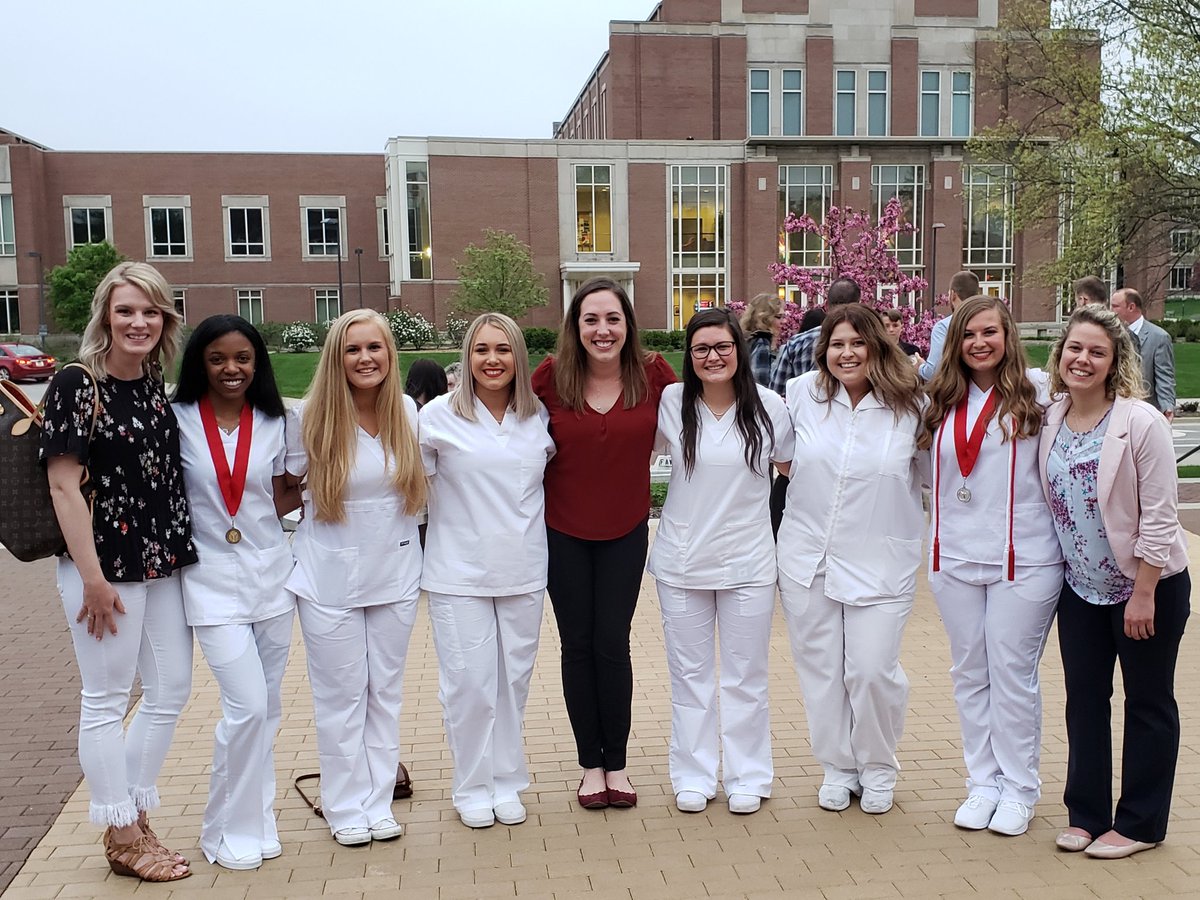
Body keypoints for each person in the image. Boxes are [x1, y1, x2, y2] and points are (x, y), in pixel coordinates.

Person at [41, 261, 195, 882]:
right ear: (105, 314)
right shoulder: (79, 383)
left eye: (151, 311)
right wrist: (93, 578)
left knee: (171, 690)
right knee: (105, 699)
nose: (138, 322)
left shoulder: (152, 382)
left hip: (160, 564)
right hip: (104, 571)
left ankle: (128, 810)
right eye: (126, 310)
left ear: (165, 321)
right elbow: (62, 483)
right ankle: (125, 834)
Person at [1040, 305, 1190, 859]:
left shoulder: (1139, 421)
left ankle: (1141, 823)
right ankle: (1087, 814)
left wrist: (1144, 591)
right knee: (1084, 699)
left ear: (1114, 361)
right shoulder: (1052, 416)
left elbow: (1160, 513)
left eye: (1097, 352)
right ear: (1060, 355)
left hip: (1147, 588)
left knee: (1147, 701)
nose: (1083, 359)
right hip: (1080, 588)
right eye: (1075, 348)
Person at [919, 295, 1062, 837]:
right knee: (969, 674)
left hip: (1022, 558)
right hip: (952, 556)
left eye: (990, 333)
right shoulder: (937, 400)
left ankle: (1020, 788)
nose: (980, 343)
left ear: (1008, 337)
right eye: (969, 334)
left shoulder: (1041, 394)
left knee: (1011, 675)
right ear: (955, 341)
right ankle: (982, 782)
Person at [531, 277, 676, 809]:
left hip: (626, 530)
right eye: (591, 319)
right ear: (576, 327)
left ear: (627, 325)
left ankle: (616, 762)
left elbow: (704, 423)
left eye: (612, 318)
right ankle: (589, 765)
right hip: (562, 531)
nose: (602, 329)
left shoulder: (654, 375)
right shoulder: (549, 378)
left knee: (613, 643)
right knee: (578, 645)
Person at [284, 309, 427, 846]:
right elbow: (279, 489)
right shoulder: (309, 417)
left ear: (390, 354)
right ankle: (344, 805)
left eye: (375, 348)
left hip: (395, 574)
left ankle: (378, 801)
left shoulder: (407, 413)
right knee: (341, 697)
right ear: (336, 357)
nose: (365, 359)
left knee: (384, 692)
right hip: (328, 580)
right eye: (353, 349)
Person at [776, 303, 925, 816]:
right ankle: (838, 768)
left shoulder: (911, 406)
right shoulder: (800, 397)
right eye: (837, 344)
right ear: (823, 351)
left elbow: (935, 476)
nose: (847, 353)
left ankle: (879, 766)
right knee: (821, 672)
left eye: (857, 343)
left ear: (877, 347)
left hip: (881, 560)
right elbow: (773, 455)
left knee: (870, 671)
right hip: (807, 558)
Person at [649, 308, 793, 815]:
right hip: (682, 562)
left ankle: (748, 775)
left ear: (739, 349)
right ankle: (693, 773)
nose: (713, 357)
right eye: (701, 349)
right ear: (689, 357)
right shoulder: (672, 402)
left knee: (744, 675)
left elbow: (794, 471)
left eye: (722, 347)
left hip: (748, 563)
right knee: (690, 676)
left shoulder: (769, 407)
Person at [419, 313, 555, 829]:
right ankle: (472, 786)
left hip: (523, 569)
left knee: (512, 683)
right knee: (469, 685)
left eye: (503, 350)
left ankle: (507, 781)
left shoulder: (536, 416)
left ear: (518, 358)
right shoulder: (435, 417)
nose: (492, 360)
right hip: (459, 573)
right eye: (481, 350)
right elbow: (412, 491)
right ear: (466, 356)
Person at [172, 315, 297, 870]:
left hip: (272, 578)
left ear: (257, 364)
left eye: (243, 358)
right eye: (218, 358)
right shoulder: (175, 419)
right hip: (210, 582)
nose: (231, 368)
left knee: (265, 711)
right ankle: (227, 826)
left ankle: (256, 817)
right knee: (244, 707)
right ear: (200, 361)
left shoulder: (278, 420)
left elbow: (292, 491)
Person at [768, 279, 859, 537]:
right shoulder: (804, 383)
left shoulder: (795, 344)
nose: (847, 353)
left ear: (827, 305)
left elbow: (776, 402)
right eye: (837, 346)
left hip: (799, 461)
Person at [1110, 287, 1175, 420]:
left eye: (1115, 306)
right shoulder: (1111, 335)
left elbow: (1165, 377)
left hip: (1144, 413)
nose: (1111, 310)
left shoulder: (1159, 337)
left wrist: (1167, 406)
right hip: (1114, 410)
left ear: (1131, 307)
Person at [918, 271, 980, 381]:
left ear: (952, 295)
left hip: (957, 392)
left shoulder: (944, 327)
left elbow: (934, 371)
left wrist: (920, 367)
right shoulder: (987, 323)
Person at [738, 292, 783, 388]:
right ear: (765, 318)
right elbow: (761, 384)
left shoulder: (746, 339)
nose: (784, 321)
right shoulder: (762, 342)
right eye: (778, 317)